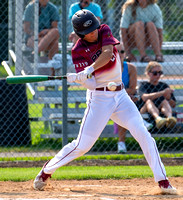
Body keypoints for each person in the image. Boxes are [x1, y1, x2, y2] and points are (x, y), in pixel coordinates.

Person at [33, 10, 177, 195]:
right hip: (99, 99)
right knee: (82, 146)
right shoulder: (77, 51)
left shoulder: (104, 31)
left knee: (143, 133)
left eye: (94, 28)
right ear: (80, 34)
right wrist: (81, 78)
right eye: (89, 31)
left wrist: (90, 68)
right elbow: (92, 84)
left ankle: (163, 181)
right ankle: (46, 171)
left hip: (120, 96)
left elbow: (108, 52)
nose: (94, 33)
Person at [114, 43, 153, 153]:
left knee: (123, 107)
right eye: (117, 51)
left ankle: (121, 143)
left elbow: (132, 88)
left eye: (122, 51)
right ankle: (140, 121)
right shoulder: (107, 68)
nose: (120, 54)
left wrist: (119, 91)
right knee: (123, 105)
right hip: (110, 100)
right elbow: (106, 89)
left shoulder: (130, 68)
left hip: (125, 99)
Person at [23, 0, 60, 75]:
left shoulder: (52, 8)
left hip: (47, 36)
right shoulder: (30, 7)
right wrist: (37, 33)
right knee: (55, 43)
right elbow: (26, 28)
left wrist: (46, 31)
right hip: (33, 37)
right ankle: (53, 75)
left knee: (55, 32)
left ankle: (34, 53)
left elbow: (54, 27)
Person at [138, 61, 177, 129]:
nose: (158, 75)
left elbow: (173, 105)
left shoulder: (164, 85)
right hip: (145, 109)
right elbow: (144, 97)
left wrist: (169, 98)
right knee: (149, 101)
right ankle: (158, 119)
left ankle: (170, 118)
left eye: (160, 73)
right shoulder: (143, 84)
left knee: (164, 101)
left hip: (161, 109)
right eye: (155, 73)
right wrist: (162, 93)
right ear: (148, 73)